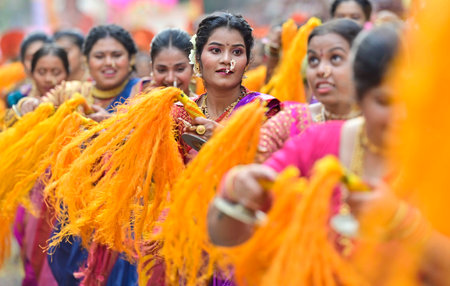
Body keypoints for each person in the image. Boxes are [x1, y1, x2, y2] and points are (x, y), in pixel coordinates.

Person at [207, 24, 450, 285]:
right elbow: (224, 235)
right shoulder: (317, 143)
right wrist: (234, 191)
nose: (400, 116)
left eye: (412, 102)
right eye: (385, 102)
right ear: (360, 94)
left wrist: (401, 222)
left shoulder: (438, 162)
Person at [47, 24, 140, 286]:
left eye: (116, 55)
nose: (108, 63)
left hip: (123, 214)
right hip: (75, 211)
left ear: (131, 59)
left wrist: (113, 125)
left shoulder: (143, 94)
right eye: (100, 56)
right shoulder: (73, 94)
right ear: (86, 60)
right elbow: (34, 106)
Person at [172, 12, 280, 160]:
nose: (226, 60)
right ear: (198, 58)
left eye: (237, 52)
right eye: (216, 50)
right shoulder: (178, 114)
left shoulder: (265, 111)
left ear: (247, 61)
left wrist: (223, 137)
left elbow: (275, 168)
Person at [257, 19, 362, 162]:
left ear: (361, 64)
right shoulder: (291, 118)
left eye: (335, 58)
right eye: (313, 60)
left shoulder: (380, 123)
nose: (321, 71)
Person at [4, 44, 70, 127]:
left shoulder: (79, 99)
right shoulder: (21, 101)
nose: (48, 79)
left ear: (67, 73)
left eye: (56, 72)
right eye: (41, 72)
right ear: (32, 73)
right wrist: (22, 107)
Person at [131, 28, 194, 97]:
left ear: (193, 68)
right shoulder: (139, 98)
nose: (170, 79)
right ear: (152, 69)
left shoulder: (201, 106)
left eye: (180, 69)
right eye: (162, 70)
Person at [4, 32, 51, 110]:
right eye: (31, 59)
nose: (37, 63)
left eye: (41, 56)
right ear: (23, 64)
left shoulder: (66, 92)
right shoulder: (15, 98)